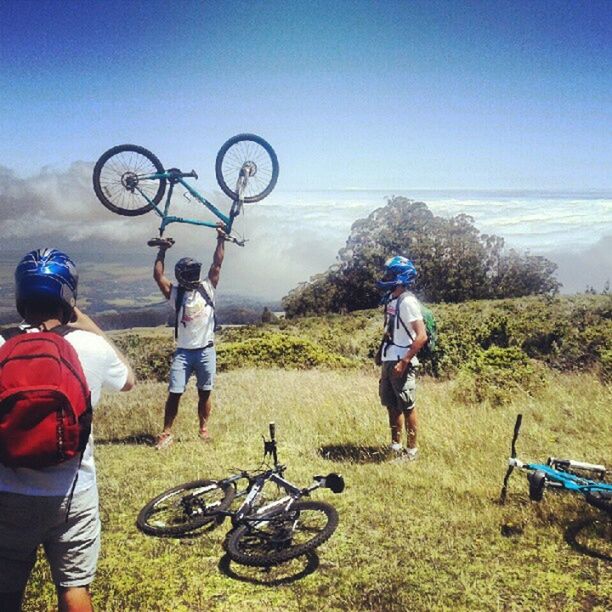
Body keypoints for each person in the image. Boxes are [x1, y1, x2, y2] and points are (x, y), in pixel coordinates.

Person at [0, 248, 135, 612]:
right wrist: (85, 322)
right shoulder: (89, 347)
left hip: (7, 492)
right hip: (73, 494)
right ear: (68, 296)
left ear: (20, 296)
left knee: (5, 590)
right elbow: (129, 381)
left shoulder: (2, 347)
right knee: (74, 589)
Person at [152, 228, 227, 450]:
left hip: (205, 350)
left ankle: (203, 430)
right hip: (184, 352)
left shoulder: (207, 288)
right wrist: (161, 251)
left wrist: (221, 239)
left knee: (205, 393)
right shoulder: (177, 294)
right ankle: (166, 432)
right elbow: (158, 276)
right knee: (174, 393)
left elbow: (217, 263)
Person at [377, 256, 427, 461]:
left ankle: (411, 451)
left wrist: (404, 361)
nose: (386, 277)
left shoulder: (408, 302)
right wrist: (381, 352)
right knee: (391, 405)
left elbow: (421, 336)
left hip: (401, 361)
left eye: (390, 274)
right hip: (389, 358)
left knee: (407, 407)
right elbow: (390, 330)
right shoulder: (392, 300)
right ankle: (395, 446)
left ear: (399, 277)